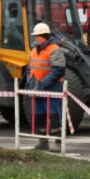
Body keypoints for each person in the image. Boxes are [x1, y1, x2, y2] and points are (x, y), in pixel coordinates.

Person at [26, 22, 66, 151]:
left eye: (38, 36)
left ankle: (58, 144)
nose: (35, 38)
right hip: (38, 89)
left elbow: (58, 70)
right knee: (40, 116)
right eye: (35, 36)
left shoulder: (55, 49)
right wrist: (30, 83)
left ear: (45, 36)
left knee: (54, 116)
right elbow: (30, 68)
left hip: (52, 89)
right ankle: (43, 142)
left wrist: (42, 84)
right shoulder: (34, 50)